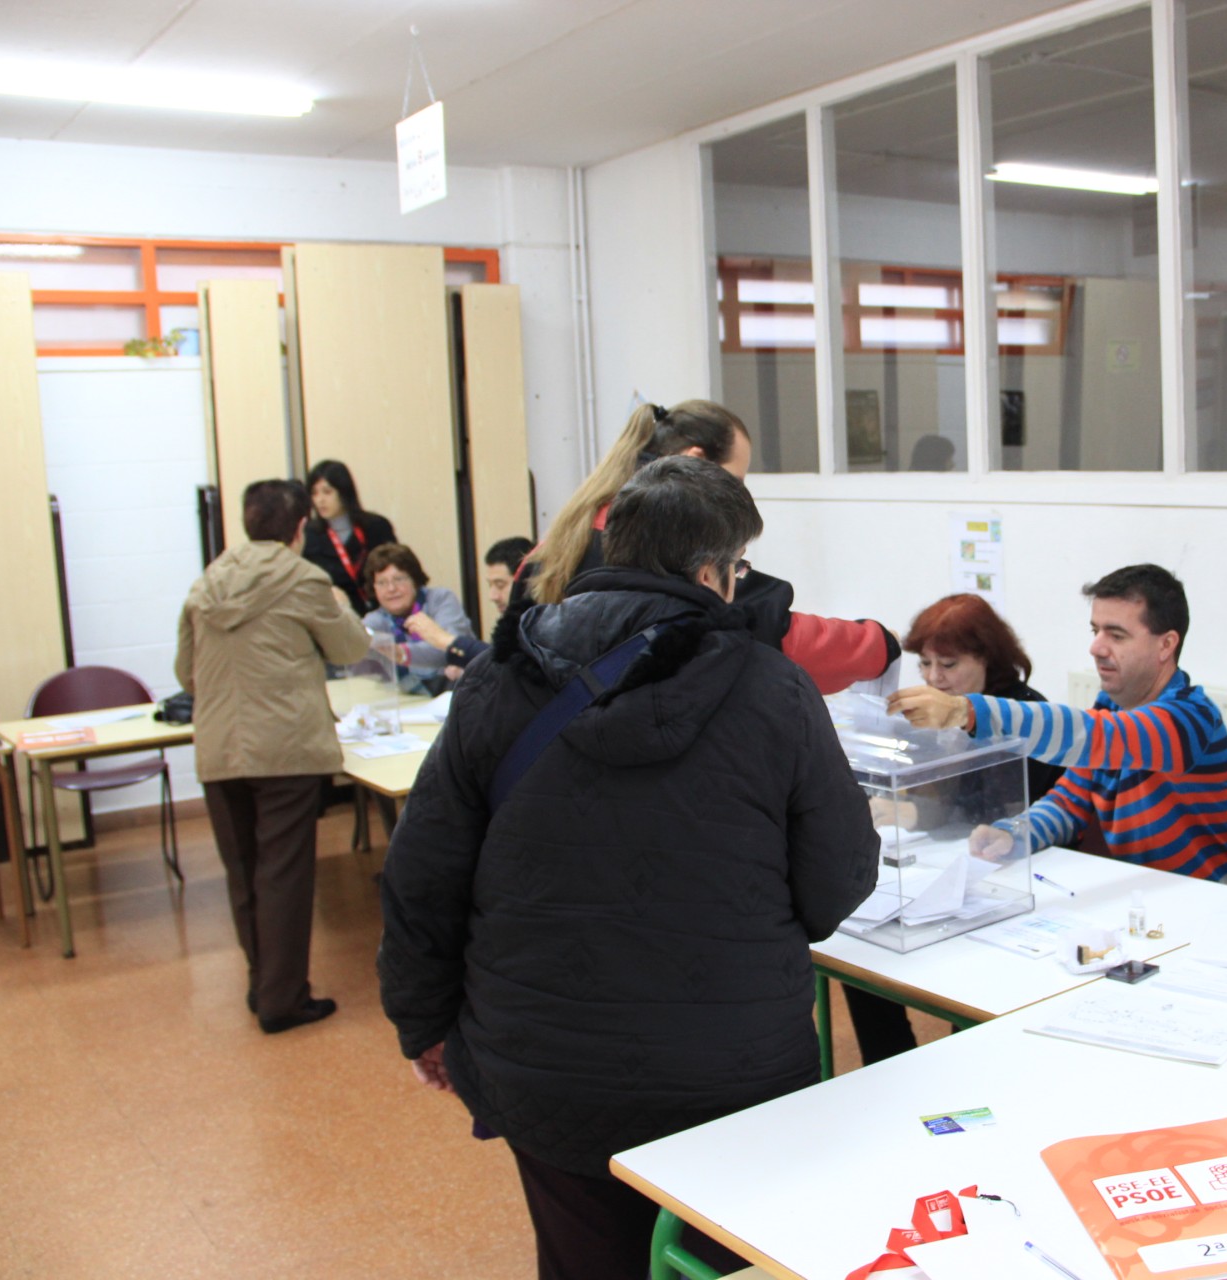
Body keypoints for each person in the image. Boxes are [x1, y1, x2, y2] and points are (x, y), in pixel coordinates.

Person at [377, 456, 878, 1278]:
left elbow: (421, 874)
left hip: (544, 1063)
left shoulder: (500, 677)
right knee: (716, 1258)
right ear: (713, 570)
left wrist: (421, 1020)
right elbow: (839, 883)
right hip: (731, 1064)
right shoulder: (774, 688)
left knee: (584, 1258)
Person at [889, 564, 1227, 888]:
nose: (1096, 648)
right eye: (1095, 630)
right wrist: (1013, 833)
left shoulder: (1191, 718)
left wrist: (966, 712)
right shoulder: (1110, 708)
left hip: (1225, 907)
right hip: (1155, 906)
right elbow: (1070, 800)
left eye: (1116, 635)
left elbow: (1099, 737)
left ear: (1166, 645)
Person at [523, 400, 896, 694]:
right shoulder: (677, 552)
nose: (740, 495)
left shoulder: (558, 543)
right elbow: (781, 636)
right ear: (695, 461)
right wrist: (879, 643)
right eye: (735, 480)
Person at [176, 479, 371, 1033]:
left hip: (219, 747)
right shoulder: (304, 579)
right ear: (299, 528)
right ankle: (283, 1000)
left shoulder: (206, 583)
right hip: (285, 747)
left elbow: (184, 672)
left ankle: (263, 982)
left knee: (243, 872)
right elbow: (350, 647)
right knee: (284, 874)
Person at [846, 593, 1066, 1064]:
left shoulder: (1023, 713)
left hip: (1017, 874)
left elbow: (990, 804)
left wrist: (910, 813)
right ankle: (888, 1065)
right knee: (861, 958)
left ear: (987, 658)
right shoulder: (934, 710)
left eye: (948, 665)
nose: (932, 679)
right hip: (953, 864)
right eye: (924, 664)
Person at [401, 535, 533, 677]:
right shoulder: (510, 623)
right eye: (490, 585)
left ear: (526, 583)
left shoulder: (540, 625)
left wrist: (445, 640)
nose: (492, 596)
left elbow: (509, 667)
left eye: (500, 585)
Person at [359, 544, 473, 694]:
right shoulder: (376, 620)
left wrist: (400, 653)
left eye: (398, 579)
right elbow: (358, 653)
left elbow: (452, 648)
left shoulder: (440, 599)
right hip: (411, 701)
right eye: (382, 583)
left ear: (414, 579)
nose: (391, 589)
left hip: (460, 691)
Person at [301, 459, 396, 615]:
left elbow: (397, 569)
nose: (320, 500)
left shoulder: (376, 526)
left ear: (344, 491)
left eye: (327, 491)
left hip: (384, 614)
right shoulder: (309, 535)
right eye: (314, 493)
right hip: (336, 618)